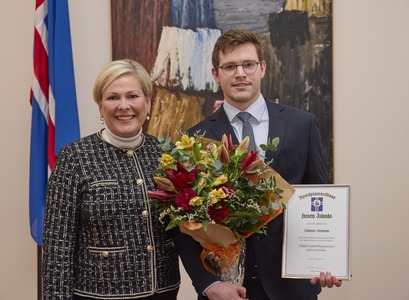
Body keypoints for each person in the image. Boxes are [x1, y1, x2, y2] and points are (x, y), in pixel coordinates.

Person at [173, 29, 342, 300]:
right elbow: (184, 225)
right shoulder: (195, 139)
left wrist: (325, 258)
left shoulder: (302, 125)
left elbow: (317, 198)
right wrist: (206, 283)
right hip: (227, 287)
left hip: (293, 286)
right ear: (216, 75)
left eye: (248, 64)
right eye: (229, 66)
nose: (240, 73)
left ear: (262, 68)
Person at [42, 59, 180, 299]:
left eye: (133, 96)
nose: (123, 106)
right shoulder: (75, 157)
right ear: (100, 106)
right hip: (97, 294)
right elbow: (57, 247)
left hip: (163, 291)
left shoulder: (166, 154)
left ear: (148, 101)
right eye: (112, 97)